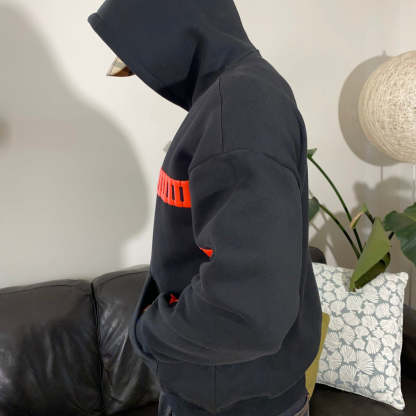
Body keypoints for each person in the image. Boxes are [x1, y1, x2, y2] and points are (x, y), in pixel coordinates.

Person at [87, 1, 321, 415]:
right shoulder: (232, 99)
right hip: (223, 392)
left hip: (233, 403)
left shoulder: (242, 105)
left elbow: (248, 308)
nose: (143, 76)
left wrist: (147, 332)